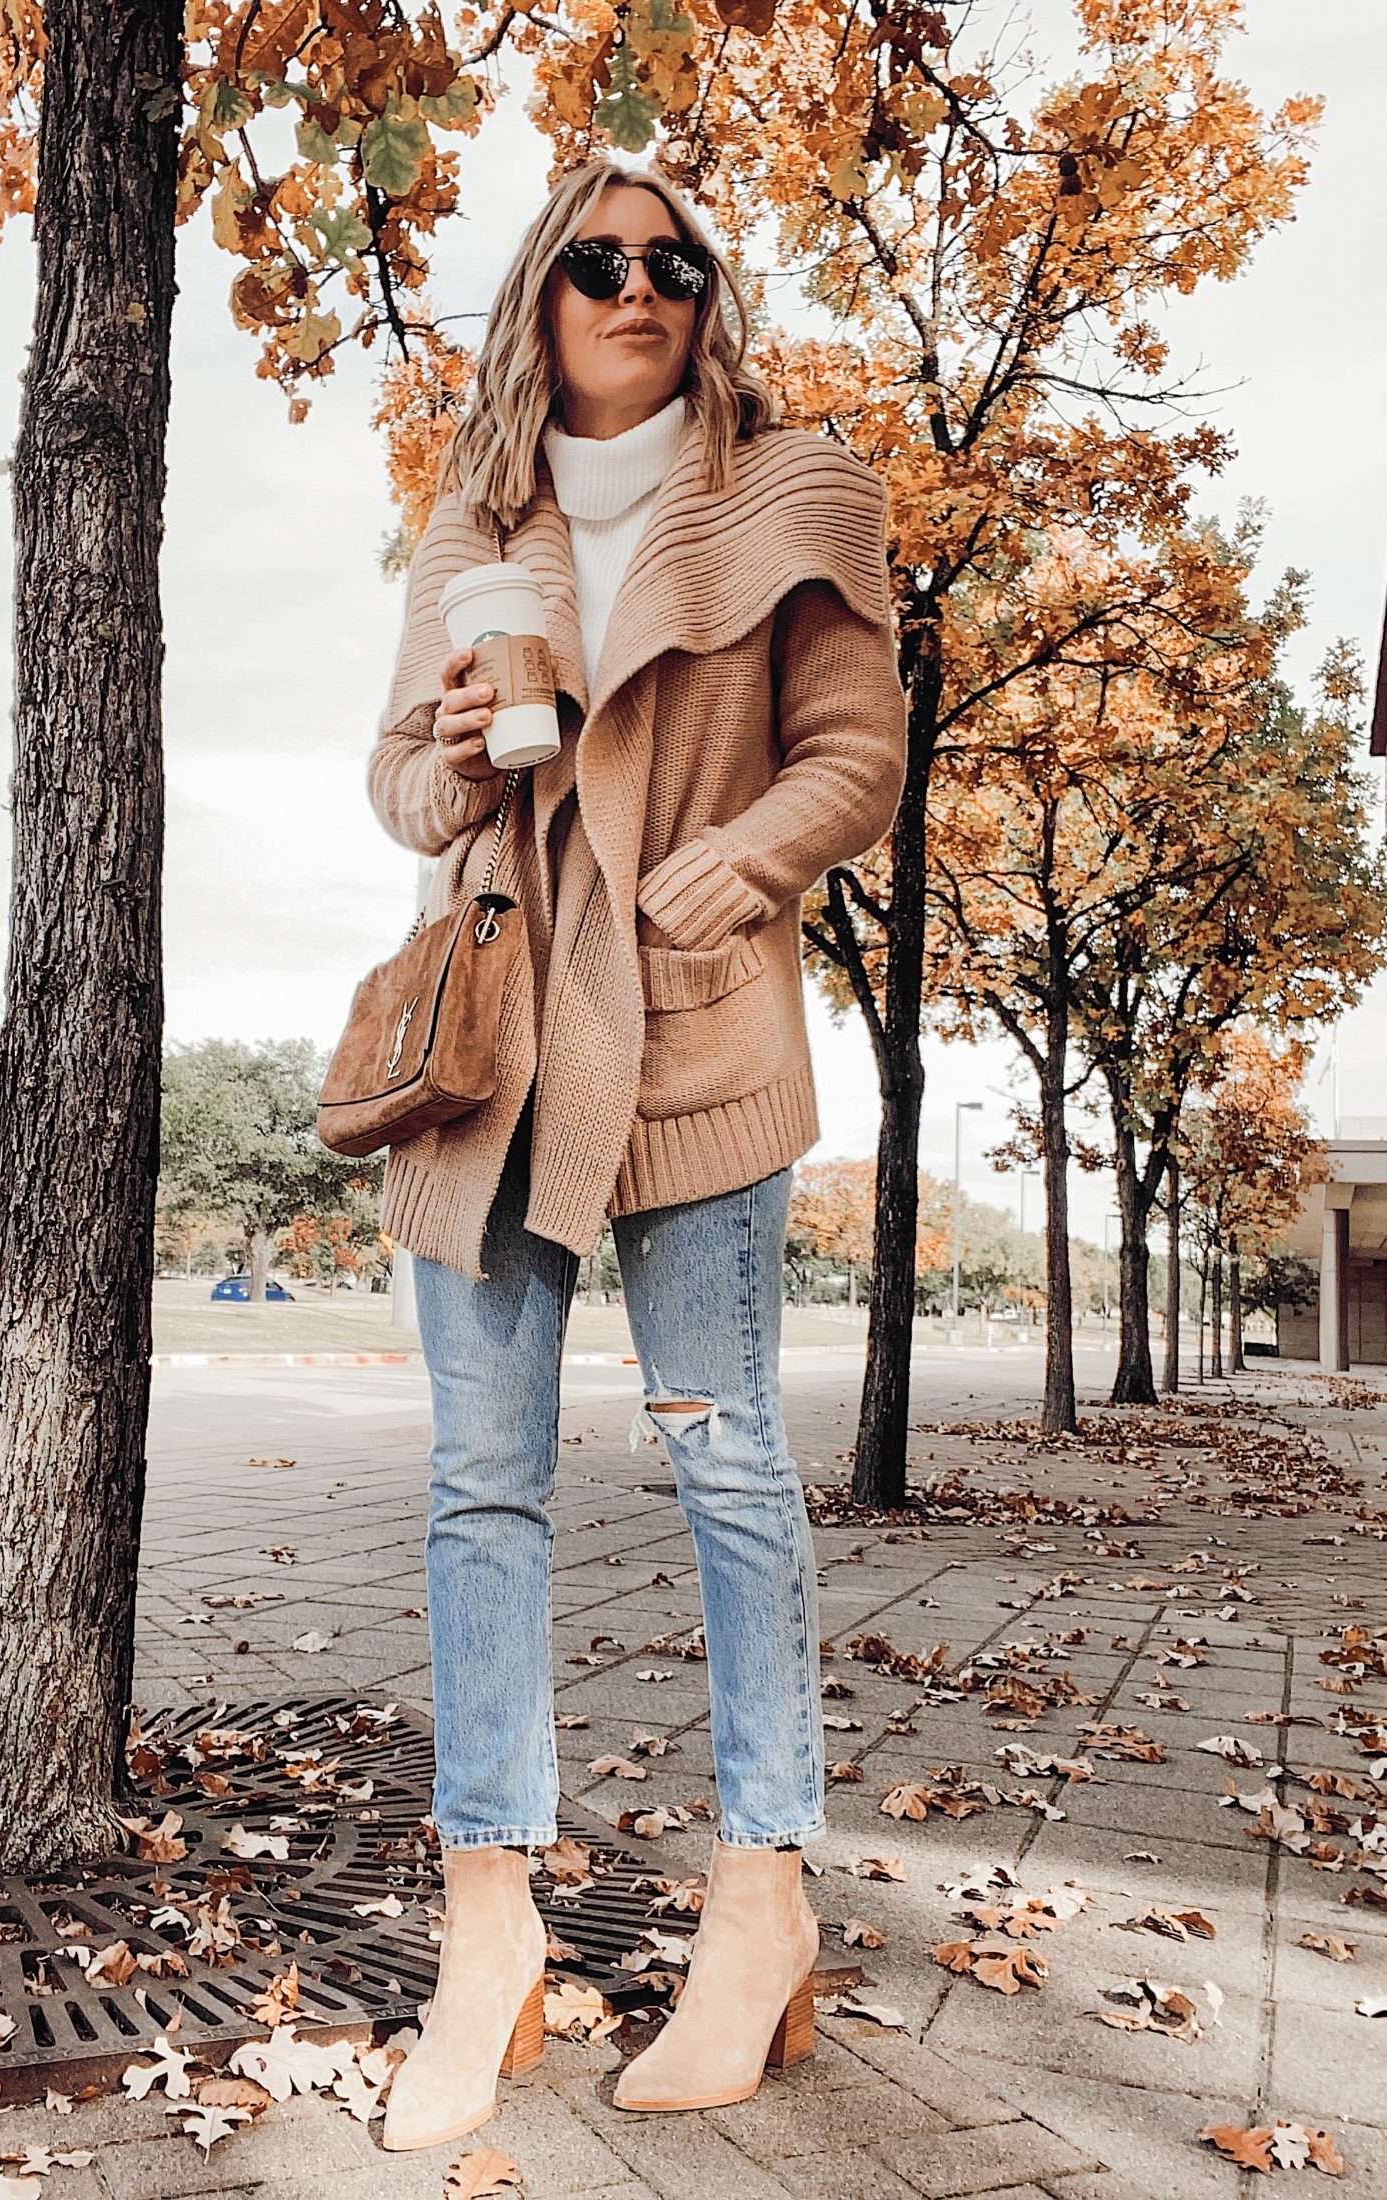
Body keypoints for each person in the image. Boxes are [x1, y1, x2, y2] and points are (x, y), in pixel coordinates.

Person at [365, 156, 907, 2152]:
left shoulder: (793, 489)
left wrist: (730, 866)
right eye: (597, 257)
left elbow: (857, 748)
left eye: (677, 258)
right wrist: (440, 746)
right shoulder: (475, 519)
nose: (638, 282)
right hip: (502, 1038)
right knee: (479, 1478)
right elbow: (400, 783)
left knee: (727, 1448)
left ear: (705, 294)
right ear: (543, 292)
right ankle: (485, 1922)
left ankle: (764, 1903)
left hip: (692, 1020)